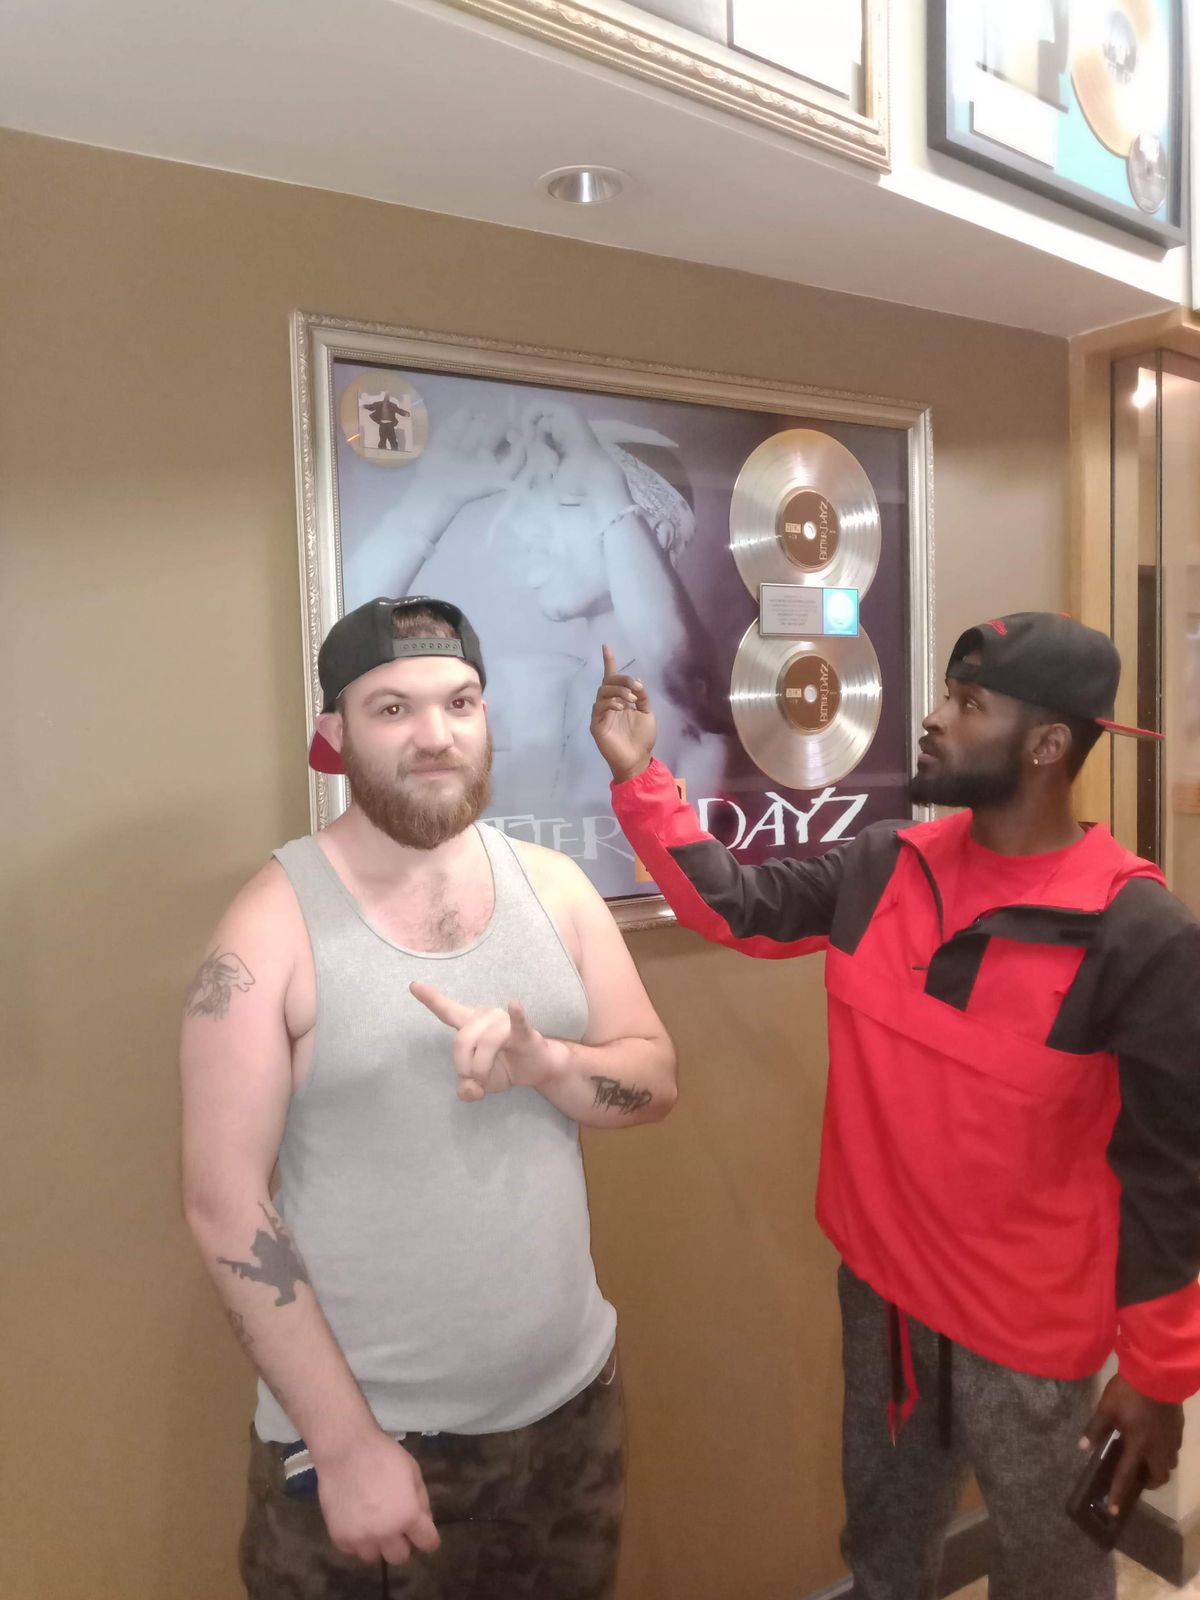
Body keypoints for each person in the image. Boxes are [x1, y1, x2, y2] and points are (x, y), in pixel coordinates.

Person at [591, 613, 1200, 1600]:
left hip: (1029, 1341)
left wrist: (1158, 1374)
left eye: (969, 704)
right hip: (884, 1302)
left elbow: (1171, 1175)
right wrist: (638, 777)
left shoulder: (1139, 933)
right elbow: (735, 905)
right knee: (881, 1550)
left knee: (1051, 1575)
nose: (933, 718)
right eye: (947, 695)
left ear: (1047, 745)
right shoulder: (884, 863)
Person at [181, 595, 677, 1600]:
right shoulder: (269, 927)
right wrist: (344, 1444)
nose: (436, 735)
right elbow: (223, 1201)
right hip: (372, 1442)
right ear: (336, 733)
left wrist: (551, 1067)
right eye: (393, 709)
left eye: (459, 701)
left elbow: (654, 1080)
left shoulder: (556, 888)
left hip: (570, 1416)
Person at [343, 398, 734, 825]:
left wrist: (602, 482)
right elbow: (341, 654)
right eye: (532, 509)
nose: (532, 533)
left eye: (568, 503)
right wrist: (431, 500)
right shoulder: (528, 692)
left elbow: (675, 667)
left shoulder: (697, 706)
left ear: (654, 533)